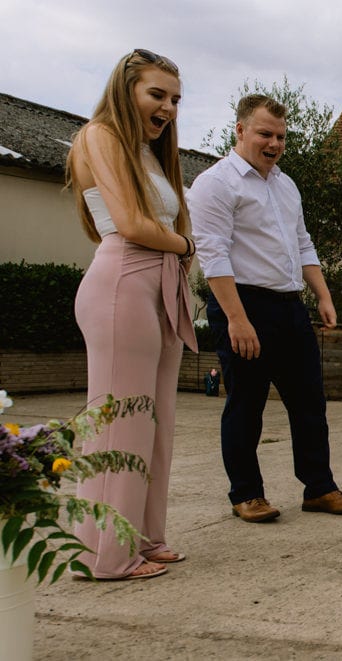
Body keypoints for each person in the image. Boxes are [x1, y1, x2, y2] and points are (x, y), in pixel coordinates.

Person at [188, 94, 342, 522]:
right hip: (243, 304)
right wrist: (236, 318)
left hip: (290, 307)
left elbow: (302, 242)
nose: (273, 143)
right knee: (246, 405)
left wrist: (322, 295)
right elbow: (213, 256)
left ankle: (319, 488)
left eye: (281, 137)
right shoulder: (216, 184)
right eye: (265, 134)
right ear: (240, 130)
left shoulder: (285, 185)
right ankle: (246, 494)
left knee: (309, 402)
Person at [67, 49, 197, 579]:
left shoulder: (147, 151)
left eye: (175, 99)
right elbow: (126, 223)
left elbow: (150, 223)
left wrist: (177, 252)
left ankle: (143, 538)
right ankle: (104, 554)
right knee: (120, 424)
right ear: (126, 90)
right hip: (124, 283)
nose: (167, 107)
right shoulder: (100, 135)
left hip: (157, 285)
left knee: (155, 422)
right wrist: (186, 245)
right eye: (156, 95)